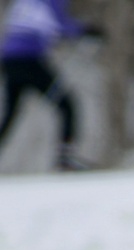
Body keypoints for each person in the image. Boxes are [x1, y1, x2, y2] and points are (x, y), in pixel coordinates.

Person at [0, 0, 100, 171]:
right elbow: (60, 26)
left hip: (9, 60)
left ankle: (65, 157)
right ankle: (65, 157)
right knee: (66, 104)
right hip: (29, 61)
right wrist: (86, 30)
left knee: (10, 113)